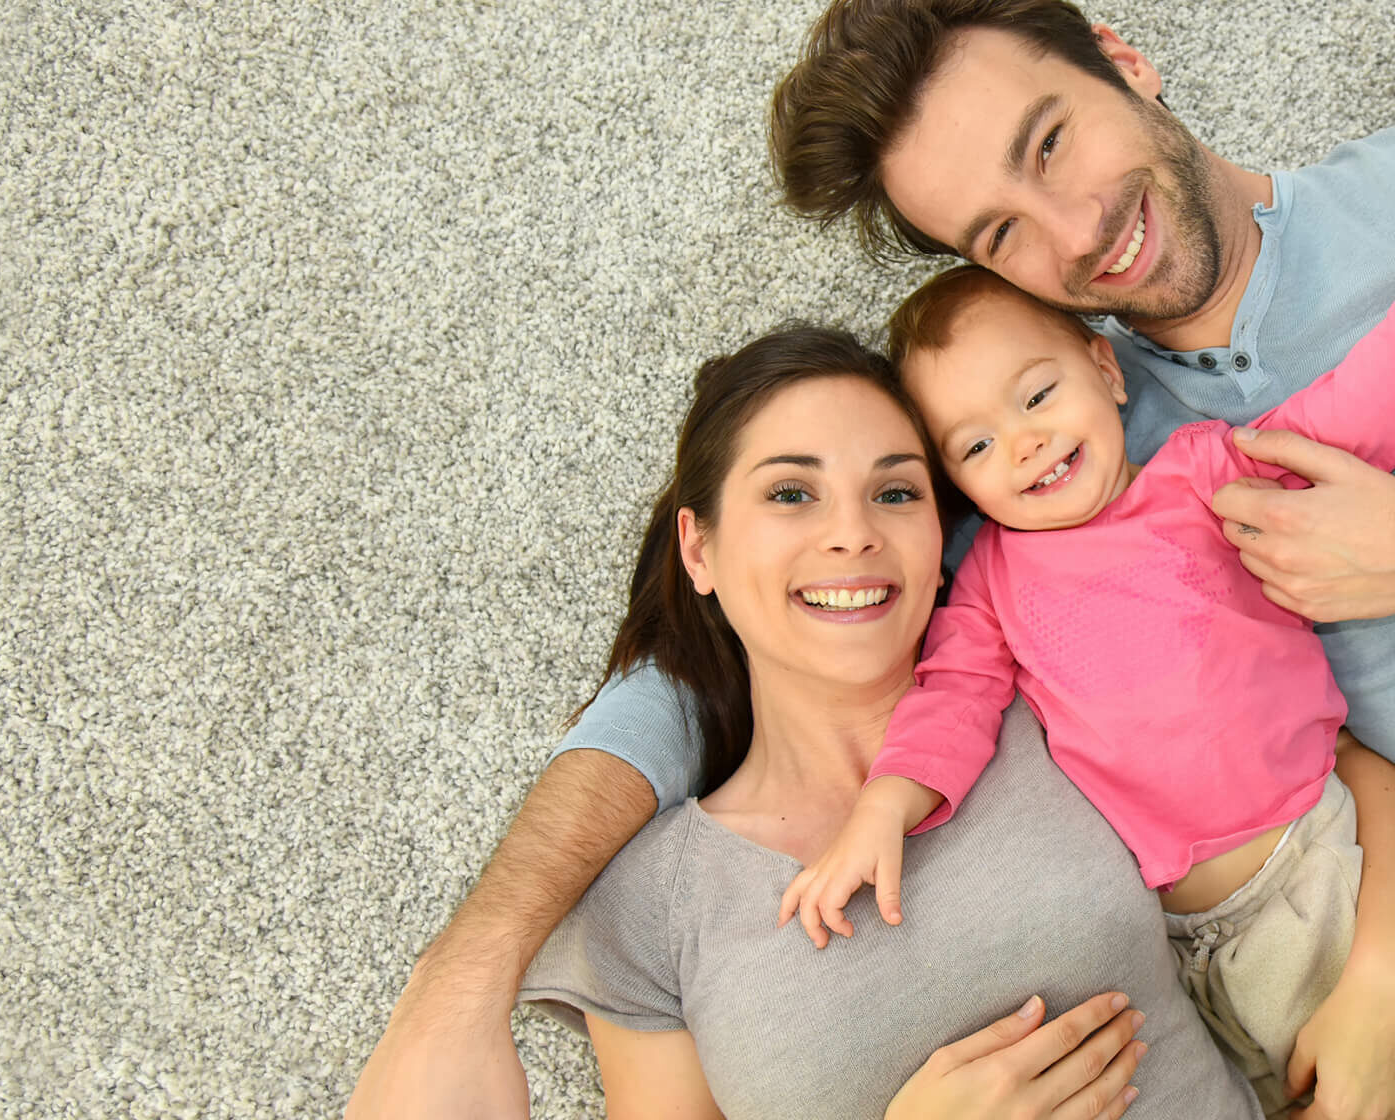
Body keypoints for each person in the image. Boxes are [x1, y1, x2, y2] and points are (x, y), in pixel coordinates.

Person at [345, 5, 1395, 1116]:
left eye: (1047, 140)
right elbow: (707, 660)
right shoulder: (1049, 469)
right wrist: (460, 982)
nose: (1075, 229)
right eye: (998, 234)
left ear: (1122, 58)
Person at [518, 324, 1260, 1117]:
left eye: (896, 492)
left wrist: (1374, 976)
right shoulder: (649, 902)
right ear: (699, 551)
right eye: (791, 493)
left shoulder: (1045, 683)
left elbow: (1304, 771)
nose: (854, 533)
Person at [777, 266, 1395, 1116]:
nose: (1024, 444)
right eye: (978, 446)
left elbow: (1343, 419)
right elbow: (952, 697)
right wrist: (884, 805)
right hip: (1186, 952)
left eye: (1036, 396)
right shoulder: (990, 580)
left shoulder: (1205, 477)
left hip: (1312, 866)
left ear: (1106, 371)